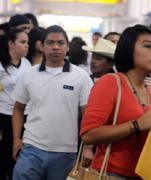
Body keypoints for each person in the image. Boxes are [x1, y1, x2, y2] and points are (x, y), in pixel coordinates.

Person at [80, 24, 151, 179]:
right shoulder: (110, 82)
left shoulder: (147, 90)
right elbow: (88, 134)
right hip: (111, 173)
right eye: (147, 46)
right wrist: (136, 125)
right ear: (129, 50)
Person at [11, 25, 93, 180]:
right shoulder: (30, 74)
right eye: (50, 43)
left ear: (67, 47)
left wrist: (88, 147)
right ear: (42, 46)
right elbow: (18, 108)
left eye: (60, 43)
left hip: (66, 152)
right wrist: (16, 139)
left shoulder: (81, 76)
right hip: (31, 149)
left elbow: (88, 114)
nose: (55, 47)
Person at [0, 28, 31, 180]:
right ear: (11, 44)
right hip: (3, 115)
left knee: (18, 153)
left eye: (28, 42)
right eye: (23, 42)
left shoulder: (27, 64)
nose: (27, 46)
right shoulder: (1, 65)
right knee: (3, 153)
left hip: (23, 115)